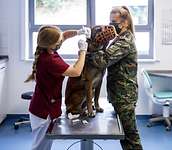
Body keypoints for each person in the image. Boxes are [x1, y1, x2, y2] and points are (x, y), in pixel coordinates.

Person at [25, 25, 90, 150]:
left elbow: (64, 35)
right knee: (40, 147)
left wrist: (78, 32)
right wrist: (83, 51)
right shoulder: (50, 60)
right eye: (59, 41)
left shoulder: (46, 49)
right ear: (51, 44)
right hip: (43, 111)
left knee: (45, 145)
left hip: (41, 105)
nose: (62, 40)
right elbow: (76, 72)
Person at [89, 6, 143, 150]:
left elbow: (103, 61)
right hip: (119, 93)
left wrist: (91, 48)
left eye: (114, 22)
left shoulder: (124, 41)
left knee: (131, 137)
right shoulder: (119, 38)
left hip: (124, 96)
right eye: (110, 22)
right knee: (125, 136)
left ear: (124, 23)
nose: (110, 26)